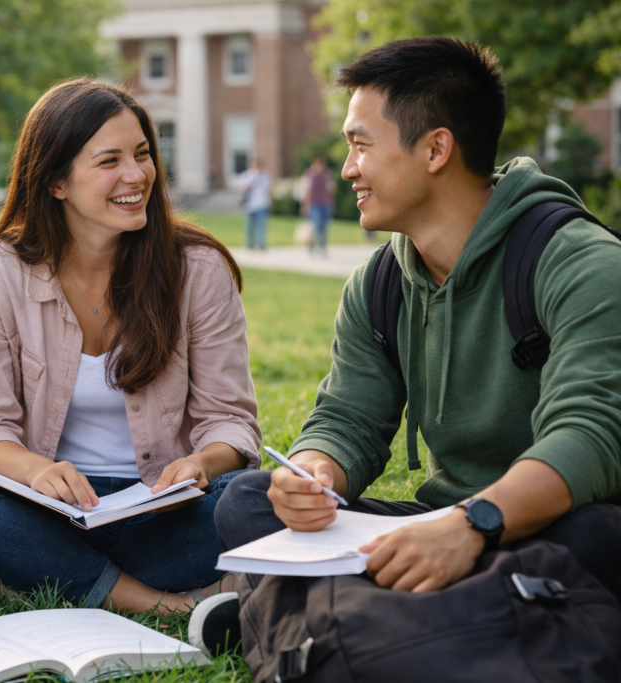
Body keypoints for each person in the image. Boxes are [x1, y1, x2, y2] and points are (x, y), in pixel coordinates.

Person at [197, 37, 621, 652]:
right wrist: (316, 474)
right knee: (248, 502)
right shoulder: (381, 283)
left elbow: (589, 436)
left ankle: (312, 618)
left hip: (543, 522)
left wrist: (471, 526)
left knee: (597, 536)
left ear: (435, 149)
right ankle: (436, 618)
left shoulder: (580, 263)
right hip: (440, 527)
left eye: (361, 145)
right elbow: (348, 417)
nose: (348, 169)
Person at [0, 78, 262, 616]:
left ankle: (33, 578)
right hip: (44, 510)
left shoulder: (198, 270)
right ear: (55, 182)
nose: (136, 175)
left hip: (163, 513)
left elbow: (230, 420)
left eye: (142, 154)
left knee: (260, 499)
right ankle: (157, 602)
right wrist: (36, 471)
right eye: (109, 160)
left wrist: (203, 463)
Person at [300, 154, 335, 255]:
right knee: (316, 225)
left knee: (324, 226)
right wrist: (304, 205)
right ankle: (312, 244)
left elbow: (331, 189)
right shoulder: (309, 174)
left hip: (325, 203)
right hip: (313, 203)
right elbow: (305, 190)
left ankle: (322, 246)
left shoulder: (327, 174)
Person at [238, 159, 272, 250]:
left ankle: (261, 244)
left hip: (262, 203)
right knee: (249, 225)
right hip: (250, 205)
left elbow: (267, 187)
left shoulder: (265, 175)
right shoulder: (246, 175)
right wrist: (254, 177)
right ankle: (249, 243)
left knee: (261, 225)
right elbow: (244, 186)